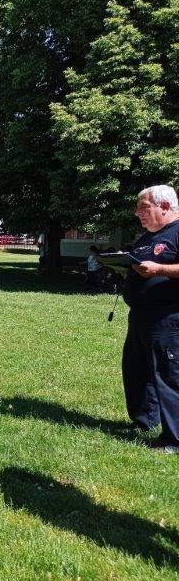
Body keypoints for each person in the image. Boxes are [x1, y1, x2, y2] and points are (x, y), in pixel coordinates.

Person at [122, 184, 179, 454]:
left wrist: (159, 269)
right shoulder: (147, 237)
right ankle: (144, 422)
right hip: (140, 316)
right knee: (137, 370)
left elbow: (159, 269)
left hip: (168, 317)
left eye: (143, 208)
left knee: (168, 376)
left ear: (164, 206)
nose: (138, 214)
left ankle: (174, 439)